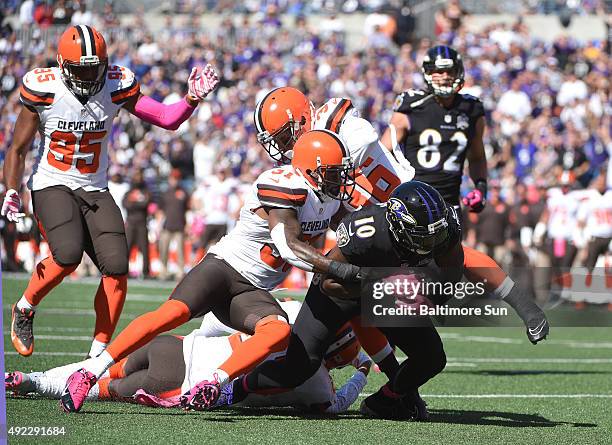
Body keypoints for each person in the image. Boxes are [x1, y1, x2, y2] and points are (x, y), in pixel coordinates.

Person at [60, 130, 363, 413]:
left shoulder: (329, 199)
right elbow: (287, 245)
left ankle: (214, 383)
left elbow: (354, 231)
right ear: (312, 170)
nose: (340, 180)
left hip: (251, 291)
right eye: (334, 172)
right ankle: (88, 372)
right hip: (223, 268)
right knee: (172, 314)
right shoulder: (287, 185)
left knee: (278, 330)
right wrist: (341, 270)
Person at [1, 24, 219, 358]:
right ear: (62, 65)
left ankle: (96, 356)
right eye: (81, 69)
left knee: (117, 267)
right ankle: (25, 307)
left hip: (94, 187)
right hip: (52, 182)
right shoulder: (43, 88)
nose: (89, 76)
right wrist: (11, 190)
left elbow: (165, 117)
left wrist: (190, 100)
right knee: (67, 255)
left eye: (95, 68)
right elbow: (17, 149)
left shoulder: (117, 84)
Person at [220, 181, 464, 420]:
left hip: (385, 290)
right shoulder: (367, 231)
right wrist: (377, 286)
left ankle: (384, 401)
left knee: (431, 357)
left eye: (437, 236)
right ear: (398, 227)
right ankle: (235, 389)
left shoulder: (446, 230)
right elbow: (328, 283)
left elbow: (446, 287)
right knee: (298, 368)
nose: (432, 245)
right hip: (342, 289)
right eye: (423, 237)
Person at [381, 45, 548, 343]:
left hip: (446, 203)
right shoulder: (411, 105)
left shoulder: (471, 109)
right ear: (427, 73)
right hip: (410, 201)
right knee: (396, 268)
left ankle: (401, 336)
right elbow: (384, 149)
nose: (444, 77)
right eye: (438, 71)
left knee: (452, 264)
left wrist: (481, 186)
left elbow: (477, 156)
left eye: (449, 71)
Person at [6, 301, 371, 414]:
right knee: (105, 388)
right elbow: (335, 404)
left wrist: (194, 340)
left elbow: (215, 324)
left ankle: (34, 377)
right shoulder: (318, 386)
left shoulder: (287, 319)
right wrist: (363, 373)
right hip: (181, 384)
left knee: (99, 369)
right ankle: (37, 383)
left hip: (177, 347)